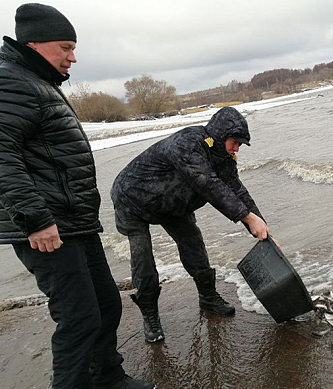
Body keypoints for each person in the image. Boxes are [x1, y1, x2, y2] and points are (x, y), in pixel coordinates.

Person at [0, 4, 156, 389]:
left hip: (73, 222)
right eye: (65, 47)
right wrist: (34, 218)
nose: (73, 56)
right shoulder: (11, 82)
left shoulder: (37, 81)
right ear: (33, 43)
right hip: (47, 227)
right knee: (79, 318)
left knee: (106, 304)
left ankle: (106, 377)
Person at [111, 106, 279, 343]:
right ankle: (150, 315)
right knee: (143, 258)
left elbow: (236, 190)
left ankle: (208, 297)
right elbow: (208, 184)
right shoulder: (188, 143)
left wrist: (262, 228)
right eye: (235, 142)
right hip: (133, 200)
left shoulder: (224, 157)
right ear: (220, 136)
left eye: (240, 144)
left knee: (193, 243)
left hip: (173, 203)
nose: (237, 148)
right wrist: (248, 218)